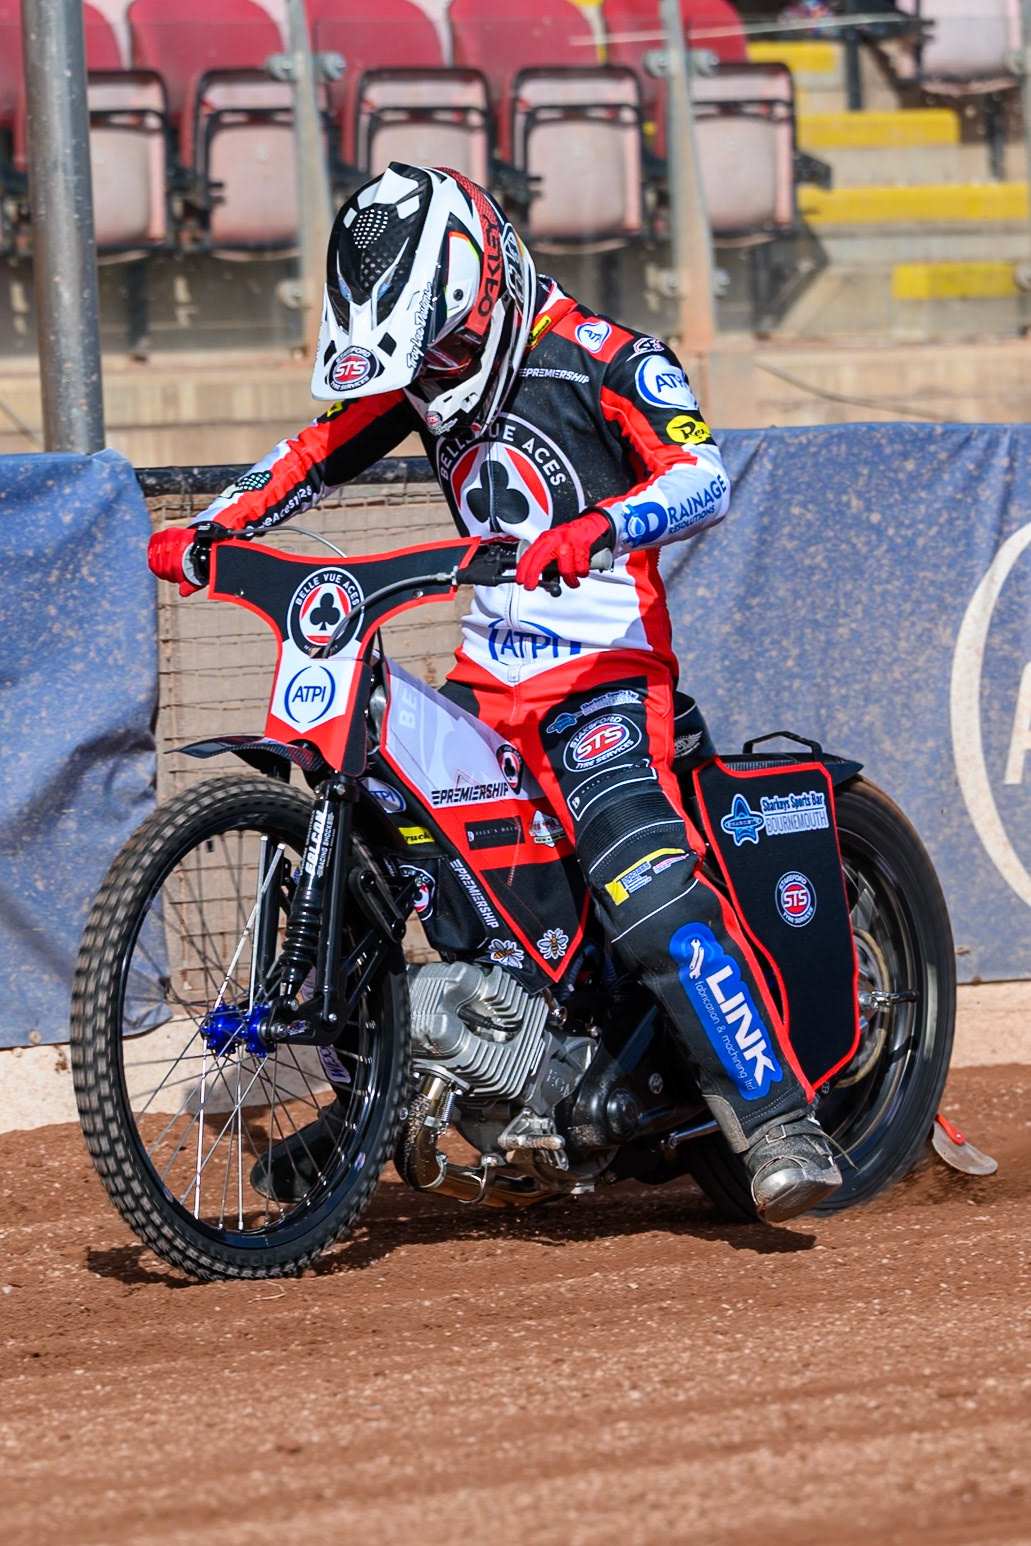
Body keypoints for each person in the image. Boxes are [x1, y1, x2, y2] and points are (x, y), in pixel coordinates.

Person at [148, 163, 840, 1223]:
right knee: (384, 859)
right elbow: (310, 456)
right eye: (419, 359)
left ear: (486, 281)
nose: (434, 374)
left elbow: (701, 476)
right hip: (490, 687)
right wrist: (213, 524)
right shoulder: (423, 382)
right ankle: (376, 1101)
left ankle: (778, 1116)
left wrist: (599, 527)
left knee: (641, 885)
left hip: (606, 685)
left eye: (445, 349)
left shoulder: (606, 357)